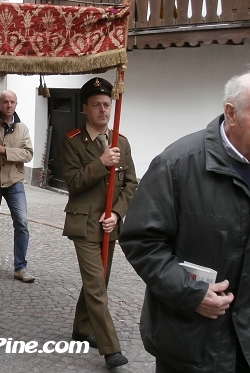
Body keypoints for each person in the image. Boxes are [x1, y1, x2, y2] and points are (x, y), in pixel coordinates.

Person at [120, 73, 250, 373]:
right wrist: (191, 295)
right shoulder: (176, 164)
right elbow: (141, 242)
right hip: (191, 344)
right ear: (231, 113)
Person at [60, 77, 137, 370]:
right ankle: (111, 349)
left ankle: (81, 328)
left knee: (99, 281)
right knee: (96, 286)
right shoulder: (72, 141)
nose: (103, 110)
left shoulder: (122, 142)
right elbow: (73, 182)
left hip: (108, 223)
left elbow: (131, 183)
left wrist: (117, 212)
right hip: (84, 224)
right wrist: (101, 162)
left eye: (107, 104)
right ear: (86, 108)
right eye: (97, 105)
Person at [0, 90, 35, 282]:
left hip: (14, 181)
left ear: (16, 104)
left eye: (12, 102)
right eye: (5, 102)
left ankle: (20, 267)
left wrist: (4, 150)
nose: (9, 105)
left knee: (22, 222)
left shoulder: (22, 129)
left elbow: (28, 154)